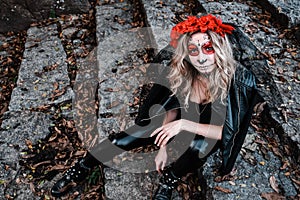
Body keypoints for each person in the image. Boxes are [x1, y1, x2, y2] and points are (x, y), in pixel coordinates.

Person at [51, 14, 258, 199]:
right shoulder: (184, 70)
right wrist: (163, 146)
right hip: (176, 120)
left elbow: (226, 132)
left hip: (205, 132)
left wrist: (184, 125)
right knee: (124, 138)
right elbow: (171, 105)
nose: (201, 58)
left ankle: (170, 178)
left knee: (200, 148)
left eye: (208, 48)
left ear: (219, 48)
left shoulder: (238, 83)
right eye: (193, 50)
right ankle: (82, 167)